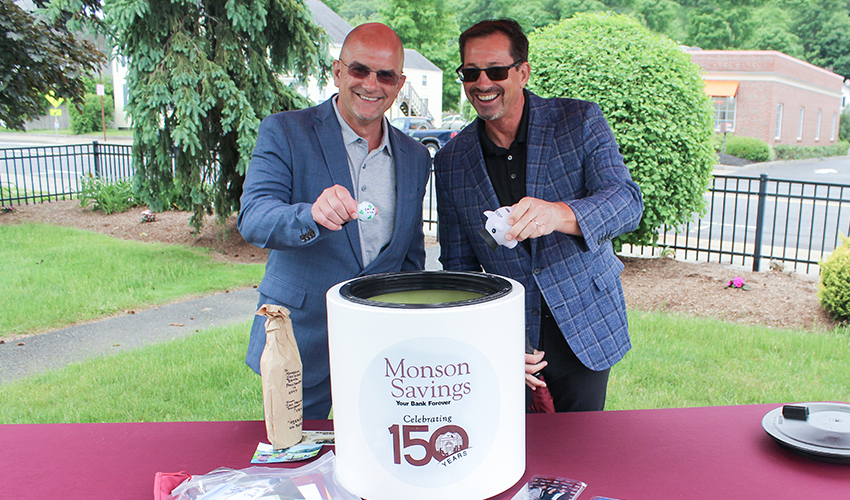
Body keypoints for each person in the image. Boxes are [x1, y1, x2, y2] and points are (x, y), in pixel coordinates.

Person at [434, 19, 643, 412]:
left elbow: (626, 202)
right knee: (514, 456)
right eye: (471, 73)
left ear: (523, 72)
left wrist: (559, 214)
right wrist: (492, 342)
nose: (483, 83)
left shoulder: (579, 121)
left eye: (496, 71)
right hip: (510, 339)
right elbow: (459, 268)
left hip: (585, 325)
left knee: (583, 454)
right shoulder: (449, 162)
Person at [238, 23, 432, 420]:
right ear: (338, 72)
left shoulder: (415, 156)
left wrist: (411, 335)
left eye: (386, 75)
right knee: (293, 461)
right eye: (360, 70)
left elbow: (409, 256)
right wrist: (308, 215)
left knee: (381, 459)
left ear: (399, 84)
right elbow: (254, 217)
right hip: (302, 337)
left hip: (384, 351)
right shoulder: (285, 131)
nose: (371, 84)